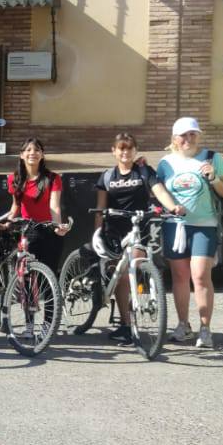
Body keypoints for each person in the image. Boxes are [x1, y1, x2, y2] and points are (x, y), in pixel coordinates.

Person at [93, 133, 182, 345]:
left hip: (138, 228)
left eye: (129, 148)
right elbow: (100, 209)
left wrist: (173, 207)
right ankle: (125, 324)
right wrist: (97, 232)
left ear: (135, 151)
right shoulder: (107, 176)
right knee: (121, 276)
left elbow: (159, 191)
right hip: (113, 230)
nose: (125, 152)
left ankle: (131, 320)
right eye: (121, 148)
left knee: (130, 270)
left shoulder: (144, 171)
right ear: (113, 151)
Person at [156, 117, 223, 349]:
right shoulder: (165, 163)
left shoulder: (212, 158)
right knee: (180, 277)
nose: (188, 139)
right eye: (183, 135)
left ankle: (205, 328)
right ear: (174, 138)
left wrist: (214, 178)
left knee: (200, 276)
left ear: (198, 136)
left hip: (205, 225)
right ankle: (183, 325)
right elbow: (158, 189)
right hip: (175, 226)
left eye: (193, 134)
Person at [1, 138, 71, 272]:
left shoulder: (53, 178)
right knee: (27, 277)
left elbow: (54, 206)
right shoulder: (13, 179)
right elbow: (16, 205)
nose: (33, 153)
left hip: (49, 231)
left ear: (42, 155)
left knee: (49, 277)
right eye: (28, 150)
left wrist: (57, 226)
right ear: (22, 155)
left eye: (37, 150)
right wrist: (8, 223)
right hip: (28, 231)